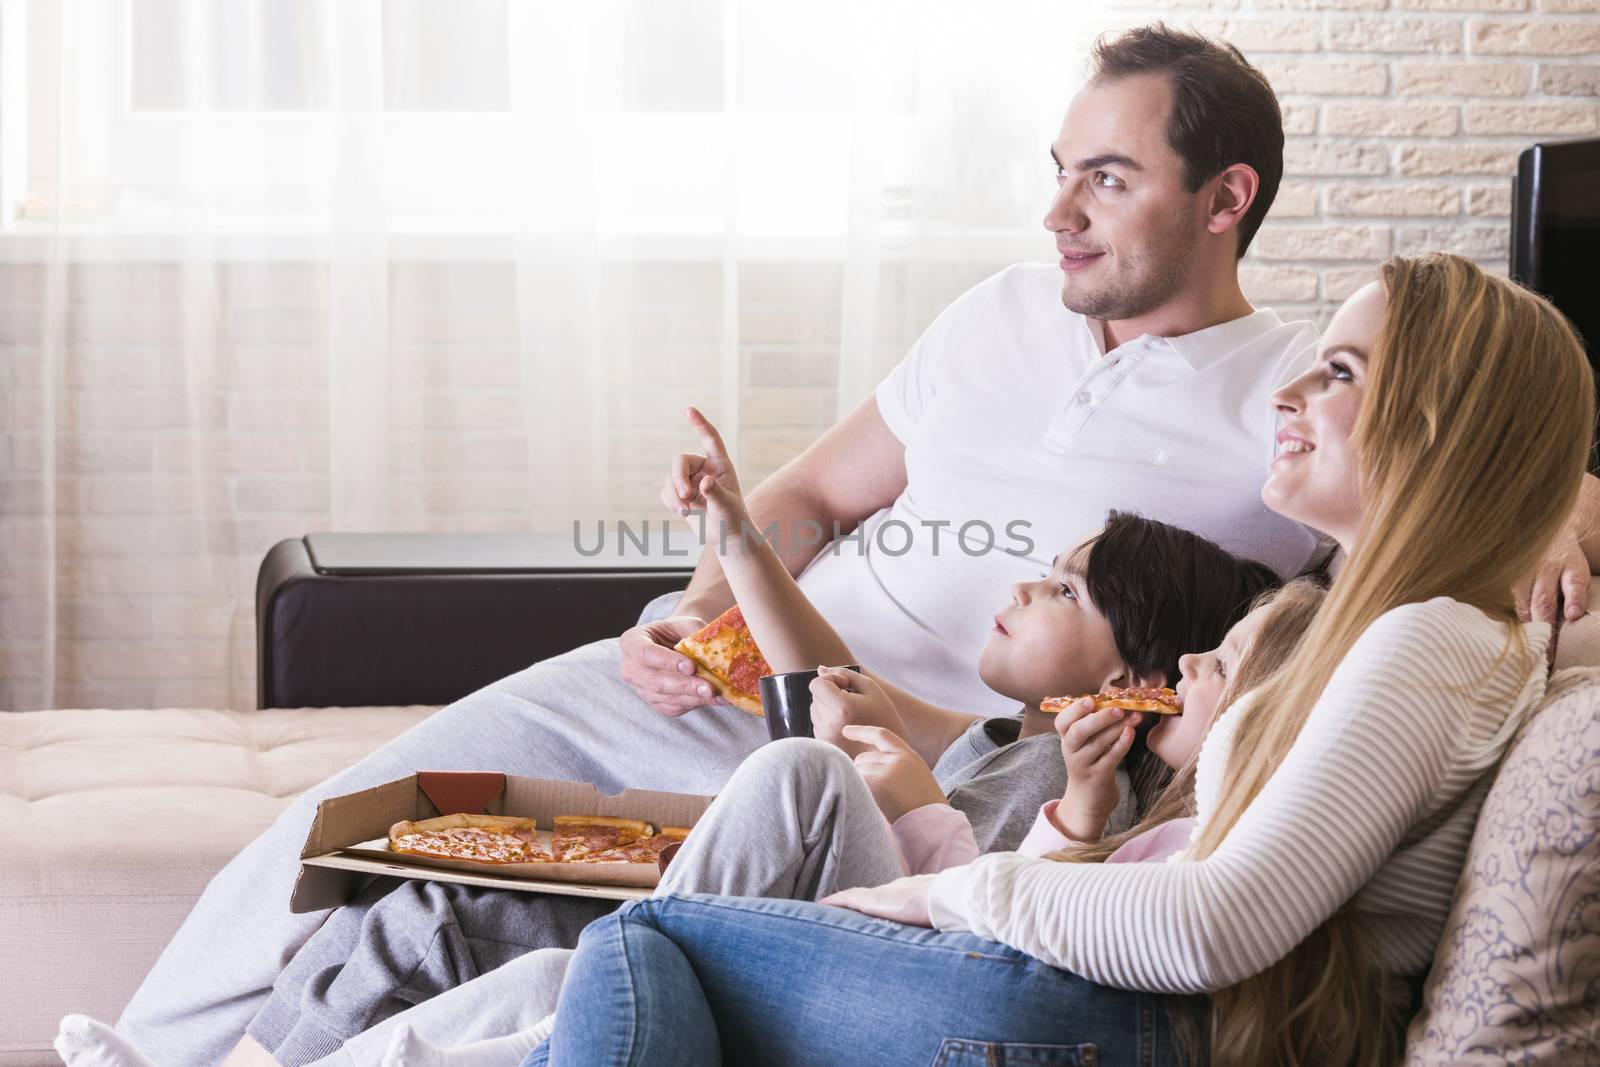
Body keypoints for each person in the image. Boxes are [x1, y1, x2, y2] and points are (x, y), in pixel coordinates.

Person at [106, 25, 1596, 1065]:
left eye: (1110, 180)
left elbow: (1465, 454)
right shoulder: (999, 313)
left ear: (1228, 201)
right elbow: (809, 499)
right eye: (1060, 167)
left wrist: (1565, 513)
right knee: (380, 813)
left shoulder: (1274, 402)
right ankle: (143, 1050)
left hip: (908, 777)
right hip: (736, 679)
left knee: (499, 894)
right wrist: (698, 608)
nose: (1059, 212)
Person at [526, 251, 1597, 1067]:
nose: (1287, 395)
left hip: (1137, 1022)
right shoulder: (1374, 627)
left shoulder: (1427, 638)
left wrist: (948, 897)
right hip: (1117, 996)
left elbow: (1213, 922)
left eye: (1340, 372)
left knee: (645, 938)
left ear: (1437, 423)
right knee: (643, 955)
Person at [197, 502, 1274, 1067]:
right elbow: (822, 679)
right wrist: (740, 545)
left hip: (758, 903)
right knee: (408, 833)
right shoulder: (1004, 731)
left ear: (1136, 683)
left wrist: (894, 776)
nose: (1024, 583)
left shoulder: (1080, 784)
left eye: (1065, 591)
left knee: (432, 880)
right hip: (732, 858)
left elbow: (967, 898)